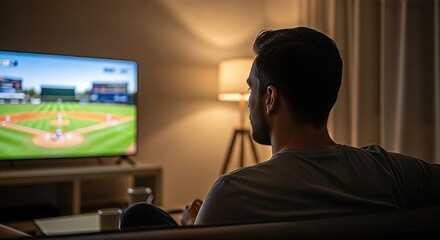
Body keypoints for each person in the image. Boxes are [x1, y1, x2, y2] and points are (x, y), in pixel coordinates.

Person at [121, 26, 440, 229]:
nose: (248, 101)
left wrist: (194, 227)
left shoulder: (232, 194)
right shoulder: (388, 171)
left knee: (137, 216)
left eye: (250, 89)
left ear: (270, 98)